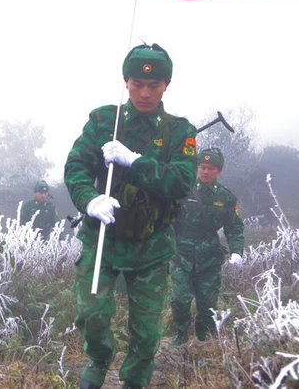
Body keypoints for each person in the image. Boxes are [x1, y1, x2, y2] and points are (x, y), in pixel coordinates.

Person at [64, 43, 198, 389]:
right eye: (137, 83)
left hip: (151, 243)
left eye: (153, 85)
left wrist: (136, 162)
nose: (144, 92)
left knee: (147, 332)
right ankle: (99, 358)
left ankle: (134, 381)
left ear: (166, 85)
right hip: (103, 236)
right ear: (125, 81)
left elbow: (182, 181)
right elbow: (76, 167)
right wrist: (89, 200)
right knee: (91, 312)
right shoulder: (104, 121)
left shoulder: (179, 131)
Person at [170, 147, 244, 346]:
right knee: (180, 299)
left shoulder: (226, 197)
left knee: (207, 304)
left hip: (210, 259)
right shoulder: (183, 190)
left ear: (219, 170)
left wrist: (237, 251)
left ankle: (205, 340)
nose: (205, 171)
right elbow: (166, 216)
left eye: (210, 168)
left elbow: (234, 227)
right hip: (182, 256)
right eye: (202, 167)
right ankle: (181, 334)